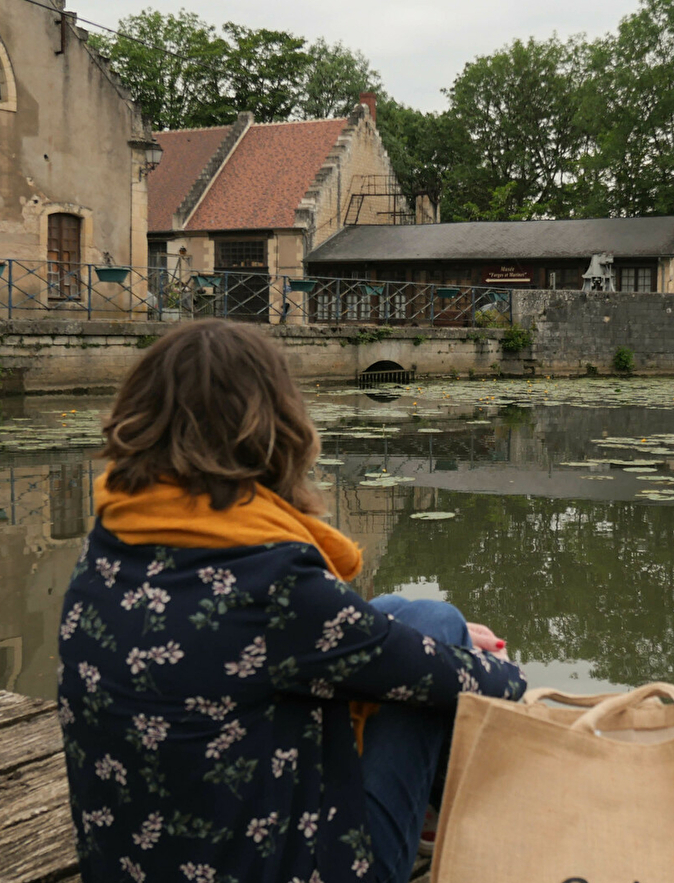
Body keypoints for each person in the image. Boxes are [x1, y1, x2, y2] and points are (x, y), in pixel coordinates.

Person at [57, 319, 525, 883]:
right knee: (441, 634)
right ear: (274, 427)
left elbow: (241, 634)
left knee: (421, 619)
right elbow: (448, 680)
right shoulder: (272, 581)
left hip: (130, 867)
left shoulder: (108, 547)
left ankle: (434, 809)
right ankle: (482, 827)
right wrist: (507, 675)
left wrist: (420, 639)